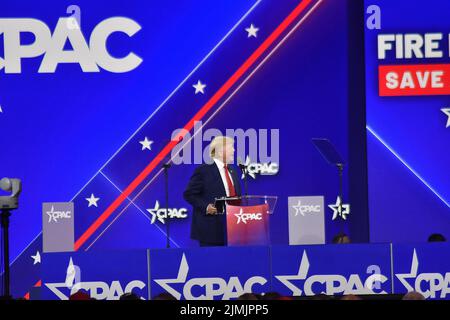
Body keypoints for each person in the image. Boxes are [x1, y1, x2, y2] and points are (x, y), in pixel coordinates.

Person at [184, 136, 242, 247]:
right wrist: (206, 207)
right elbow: (189, 194)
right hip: (211, 229)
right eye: (231, 147)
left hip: (233, 228)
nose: (234, 150)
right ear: (220, 151)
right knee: (212, 263)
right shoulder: (203, 170)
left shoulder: (232, 171)